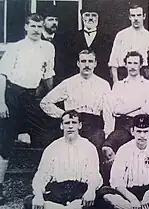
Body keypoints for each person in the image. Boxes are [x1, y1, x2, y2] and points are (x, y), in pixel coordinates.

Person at [0, 13, 54, 203]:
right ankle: (0, 189)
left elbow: (48, 76)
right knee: (5, 143)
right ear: (26, 27)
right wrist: (1, 102)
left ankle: (45, 186)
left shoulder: (48, 48)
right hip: (12, 95)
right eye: (32, 26)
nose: (36, 30)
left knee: (43, 137)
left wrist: (53, 96)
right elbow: (2, 76)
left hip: (32, 97)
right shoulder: (15, 48)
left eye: (39, 27)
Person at [40, 49, 114, 156]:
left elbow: (108, 111)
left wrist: (108, 133)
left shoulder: (103, 84)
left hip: (94, 125)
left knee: (95, 149)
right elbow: (45, 102)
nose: (87, 65)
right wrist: (64, 115)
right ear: (78, 64)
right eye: (83, 61)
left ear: (95, 64)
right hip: (73, 123)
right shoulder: (68, 83)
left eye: (90, 61)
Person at [23, 110, 103, 209]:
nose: (70, 126)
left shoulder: (89, 147)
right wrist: (39, 195)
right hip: (57, 192)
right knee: (29, 201)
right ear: (61, 126)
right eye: (66, 123)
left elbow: (94, 174)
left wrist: (90, 191)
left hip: (80, 191)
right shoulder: (52, 147)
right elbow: (41, 174)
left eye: (74, 123)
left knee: (99, 201)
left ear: (80, 125)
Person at [101, 51, 149, 184]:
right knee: (106, 149)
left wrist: (126, 108)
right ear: (125, 65)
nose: (132, 66)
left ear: (141, 65)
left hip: (144, 125)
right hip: (123, 125)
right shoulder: (118, 85)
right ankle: (116, 182)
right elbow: (116, 110)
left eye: (135, 63)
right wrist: (139, 104)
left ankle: (146, 180)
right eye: (129, 63)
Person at [98, 114, 149, 209]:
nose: (142, 136)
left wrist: (148, 195)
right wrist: (132, 199)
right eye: (139, 131)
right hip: (128, 192)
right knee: (105, 192)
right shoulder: (124, 150)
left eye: (145, 132)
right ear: (132, 131)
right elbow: (116, 181)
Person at [109, 0, 149, 83]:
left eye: (139, 15)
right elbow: (113, 61)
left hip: (142, 74)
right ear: (129, 17)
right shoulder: (121, 35)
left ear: (144, 16)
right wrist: (116, 81)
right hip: (123, 74)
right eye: (133, 15)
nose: (136, 19)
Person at [70, 2, 113, 85]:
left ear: (98, 18)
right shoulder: (73, 37)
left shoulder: (107, 38)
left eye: (93, 15)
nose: (90, 18)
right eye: (87, 15)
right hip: (78, 82)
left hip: (100, 80)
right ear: (82, 18)